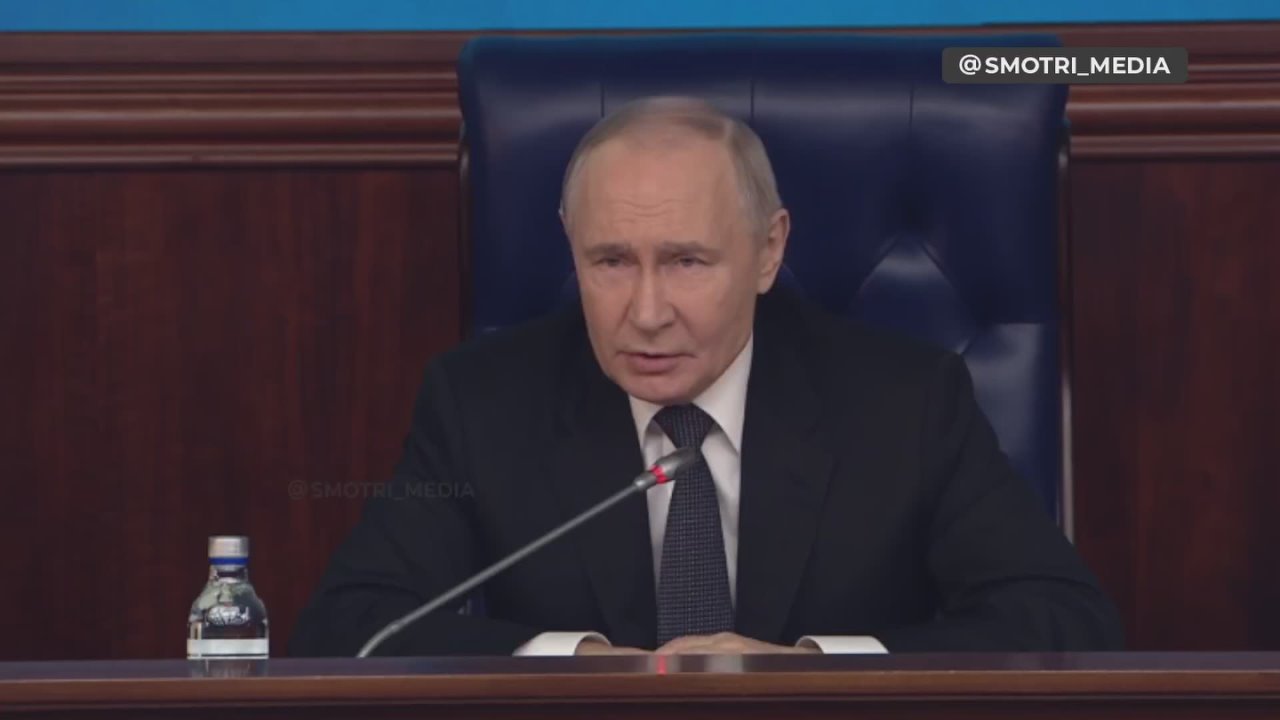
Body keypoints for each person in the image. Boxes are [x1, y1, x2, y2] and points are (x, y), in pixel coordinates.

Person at [290, 96, 1124, 657]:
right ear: (569, 244)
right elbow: (351, 625)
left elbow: (1063, 620)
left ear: (768, 251)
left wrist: (811, 670)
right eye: (611, 262)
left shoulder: (906, 402)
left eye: (687, 261)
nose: (647, 312)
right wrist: (578, 662)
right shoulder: (482, 403)